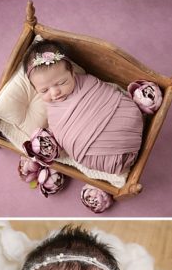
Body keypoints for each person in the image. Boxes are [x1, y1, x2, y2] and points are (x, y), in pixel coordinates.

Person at [25, 39, 143, 175]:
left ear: (72, 73)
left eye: (62, 82)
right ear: (35, 89)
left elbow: (108, 93)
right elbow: (62, 135)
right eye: (44, 90)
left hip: (124, 122)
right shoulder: (54, 114)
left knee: (129, 112)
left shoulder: (89, 83)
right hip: (100, 156)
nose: (55, 92)